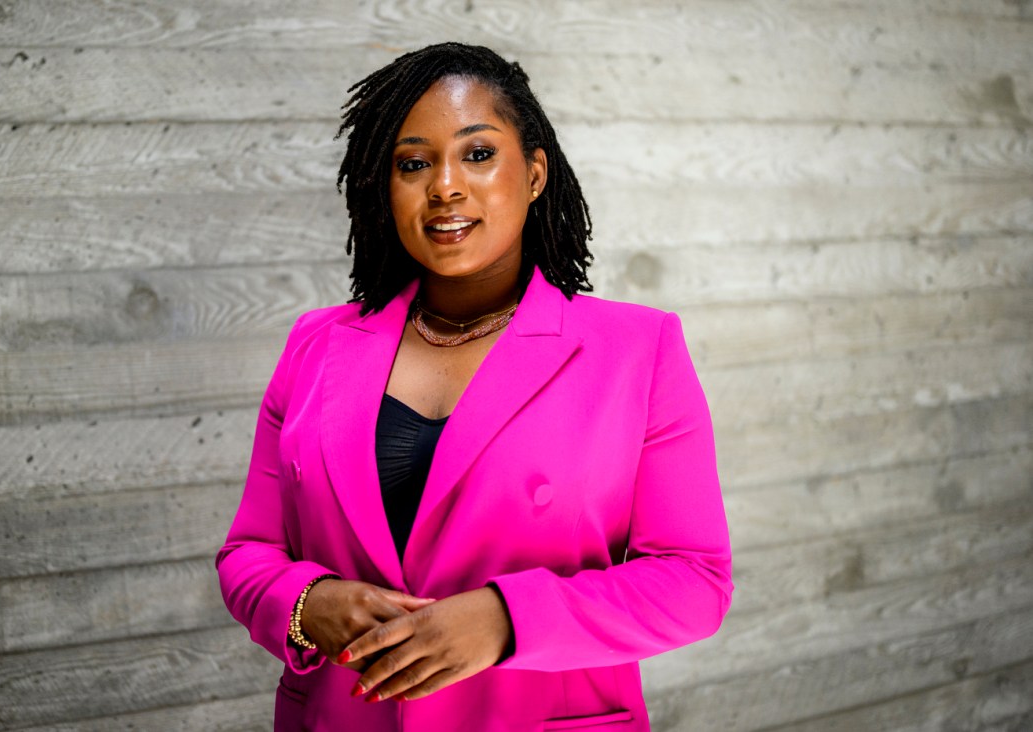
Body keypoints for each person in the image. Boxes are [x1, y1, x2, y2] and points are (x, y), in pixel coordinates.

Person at [215, 42, 733, 731]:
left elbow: (695, 581)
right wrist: (307, 603)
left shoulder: (639, 349)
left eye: (478, 153)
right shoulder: (316, 344)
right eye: (413, 163)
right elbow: (248, 553)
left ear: (536, 173)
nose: (445, 186)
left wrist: (506, 620)